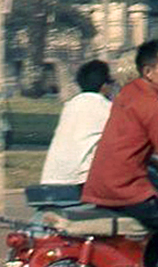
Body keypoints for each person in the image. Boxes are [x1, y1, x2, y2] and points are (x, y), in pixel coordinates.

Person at [83, 39, 158, 230]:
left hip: (100, 190)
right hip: (127, 194)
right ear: (148, 72)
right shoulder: (153, 108)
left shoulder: (128, 93)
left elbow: (134, 149)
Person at [40, 60, 114, 190]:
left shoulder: (70, 105)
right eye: (111, 84)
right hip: (77, 181)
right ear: (104, 86)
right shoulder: (105, 107)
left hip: (50, 178)